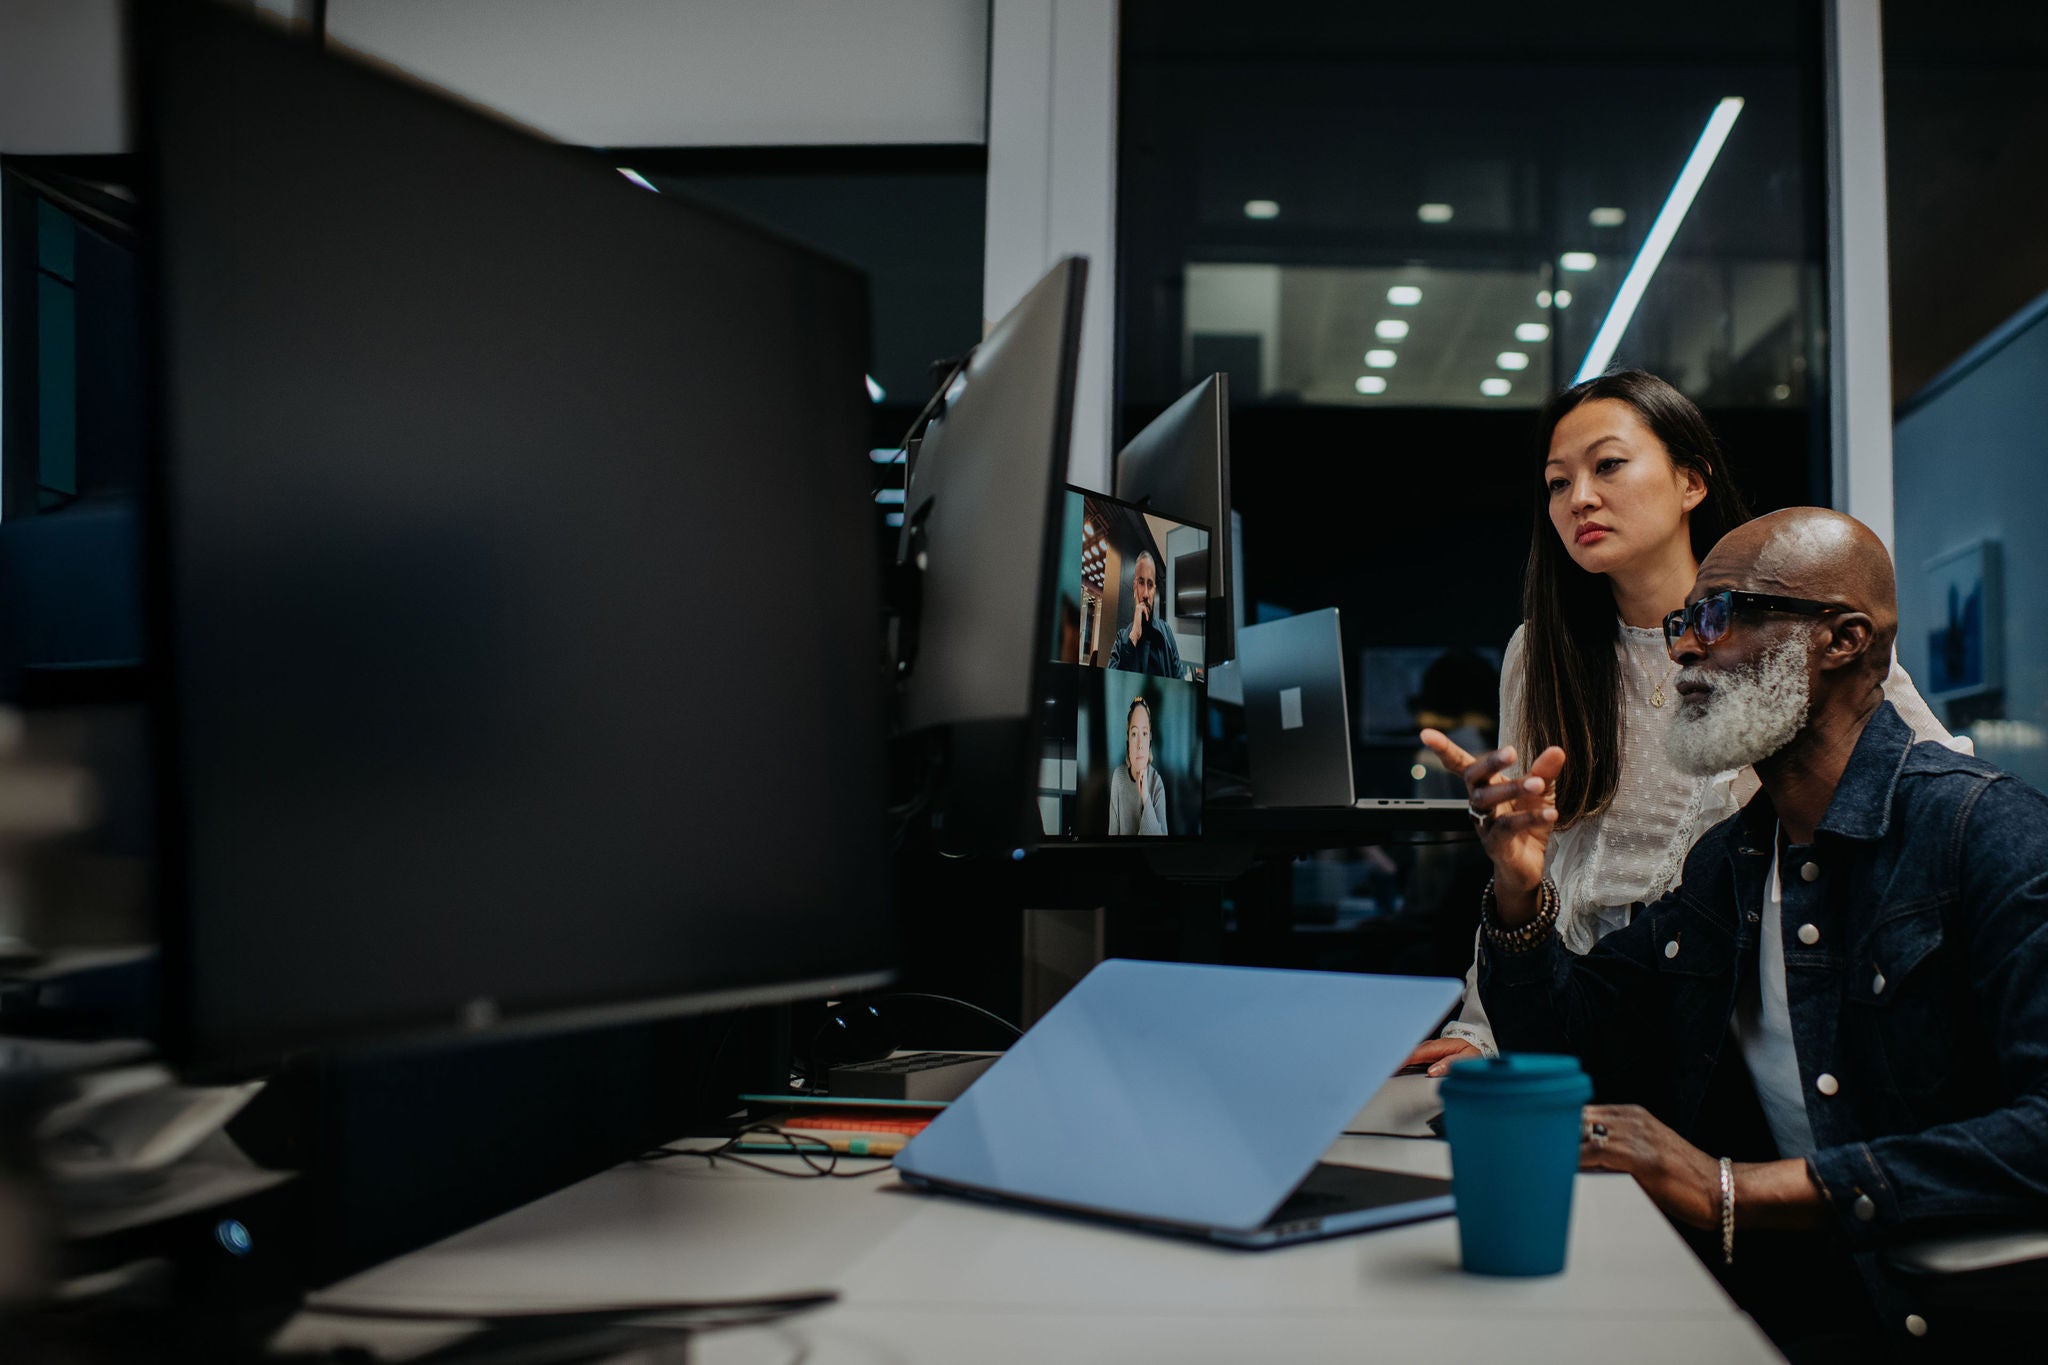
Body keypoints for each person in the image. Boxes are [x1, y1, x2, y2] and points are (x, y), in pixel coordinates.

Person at [1442, 509, 2048, 1354]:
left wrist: (1736, 1189)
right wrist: (1519, 888)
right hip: (1789, 1301)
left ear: (1841, 639)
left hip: (1954, 1318)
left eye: (1721, 614)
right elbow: (1570, 1041)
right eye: (1684, 621)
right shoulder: (1730, 864)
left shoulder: (1988, 834)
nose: (1684, 648)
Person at [1407, 371, 1961, 1077]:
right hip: (1578, 999)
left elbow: (1934, 782)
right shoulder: (1542, 648)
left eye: (1608, 465)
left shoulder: (1778, 632)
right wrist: (1486, 1027)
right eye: (1556, 482)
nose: (1580, 497)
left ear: (1691, 482)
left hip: (1735, 997)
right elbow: (1538, 858)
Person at [1105, 551, 1184, 679]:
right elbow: (1113, 686)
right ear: (1134, 587)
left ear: (1154, 591)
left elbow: (1180, 685)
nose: (1146, 594)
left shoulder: (1167, 632)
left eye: (1150, 584)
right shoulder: (1121, 639)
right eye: (1141, 583)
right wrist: (1134, 636)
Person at [1107, 695, 1168, 835]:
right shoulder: (1118, 777)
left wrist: (1145, 797)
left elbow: (1163, 845)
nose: (1140, 744)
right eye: (1134, 734)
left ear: (1150, 739)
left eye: (1145, 733)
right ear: (1128, 738)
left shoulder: (1157, 784)